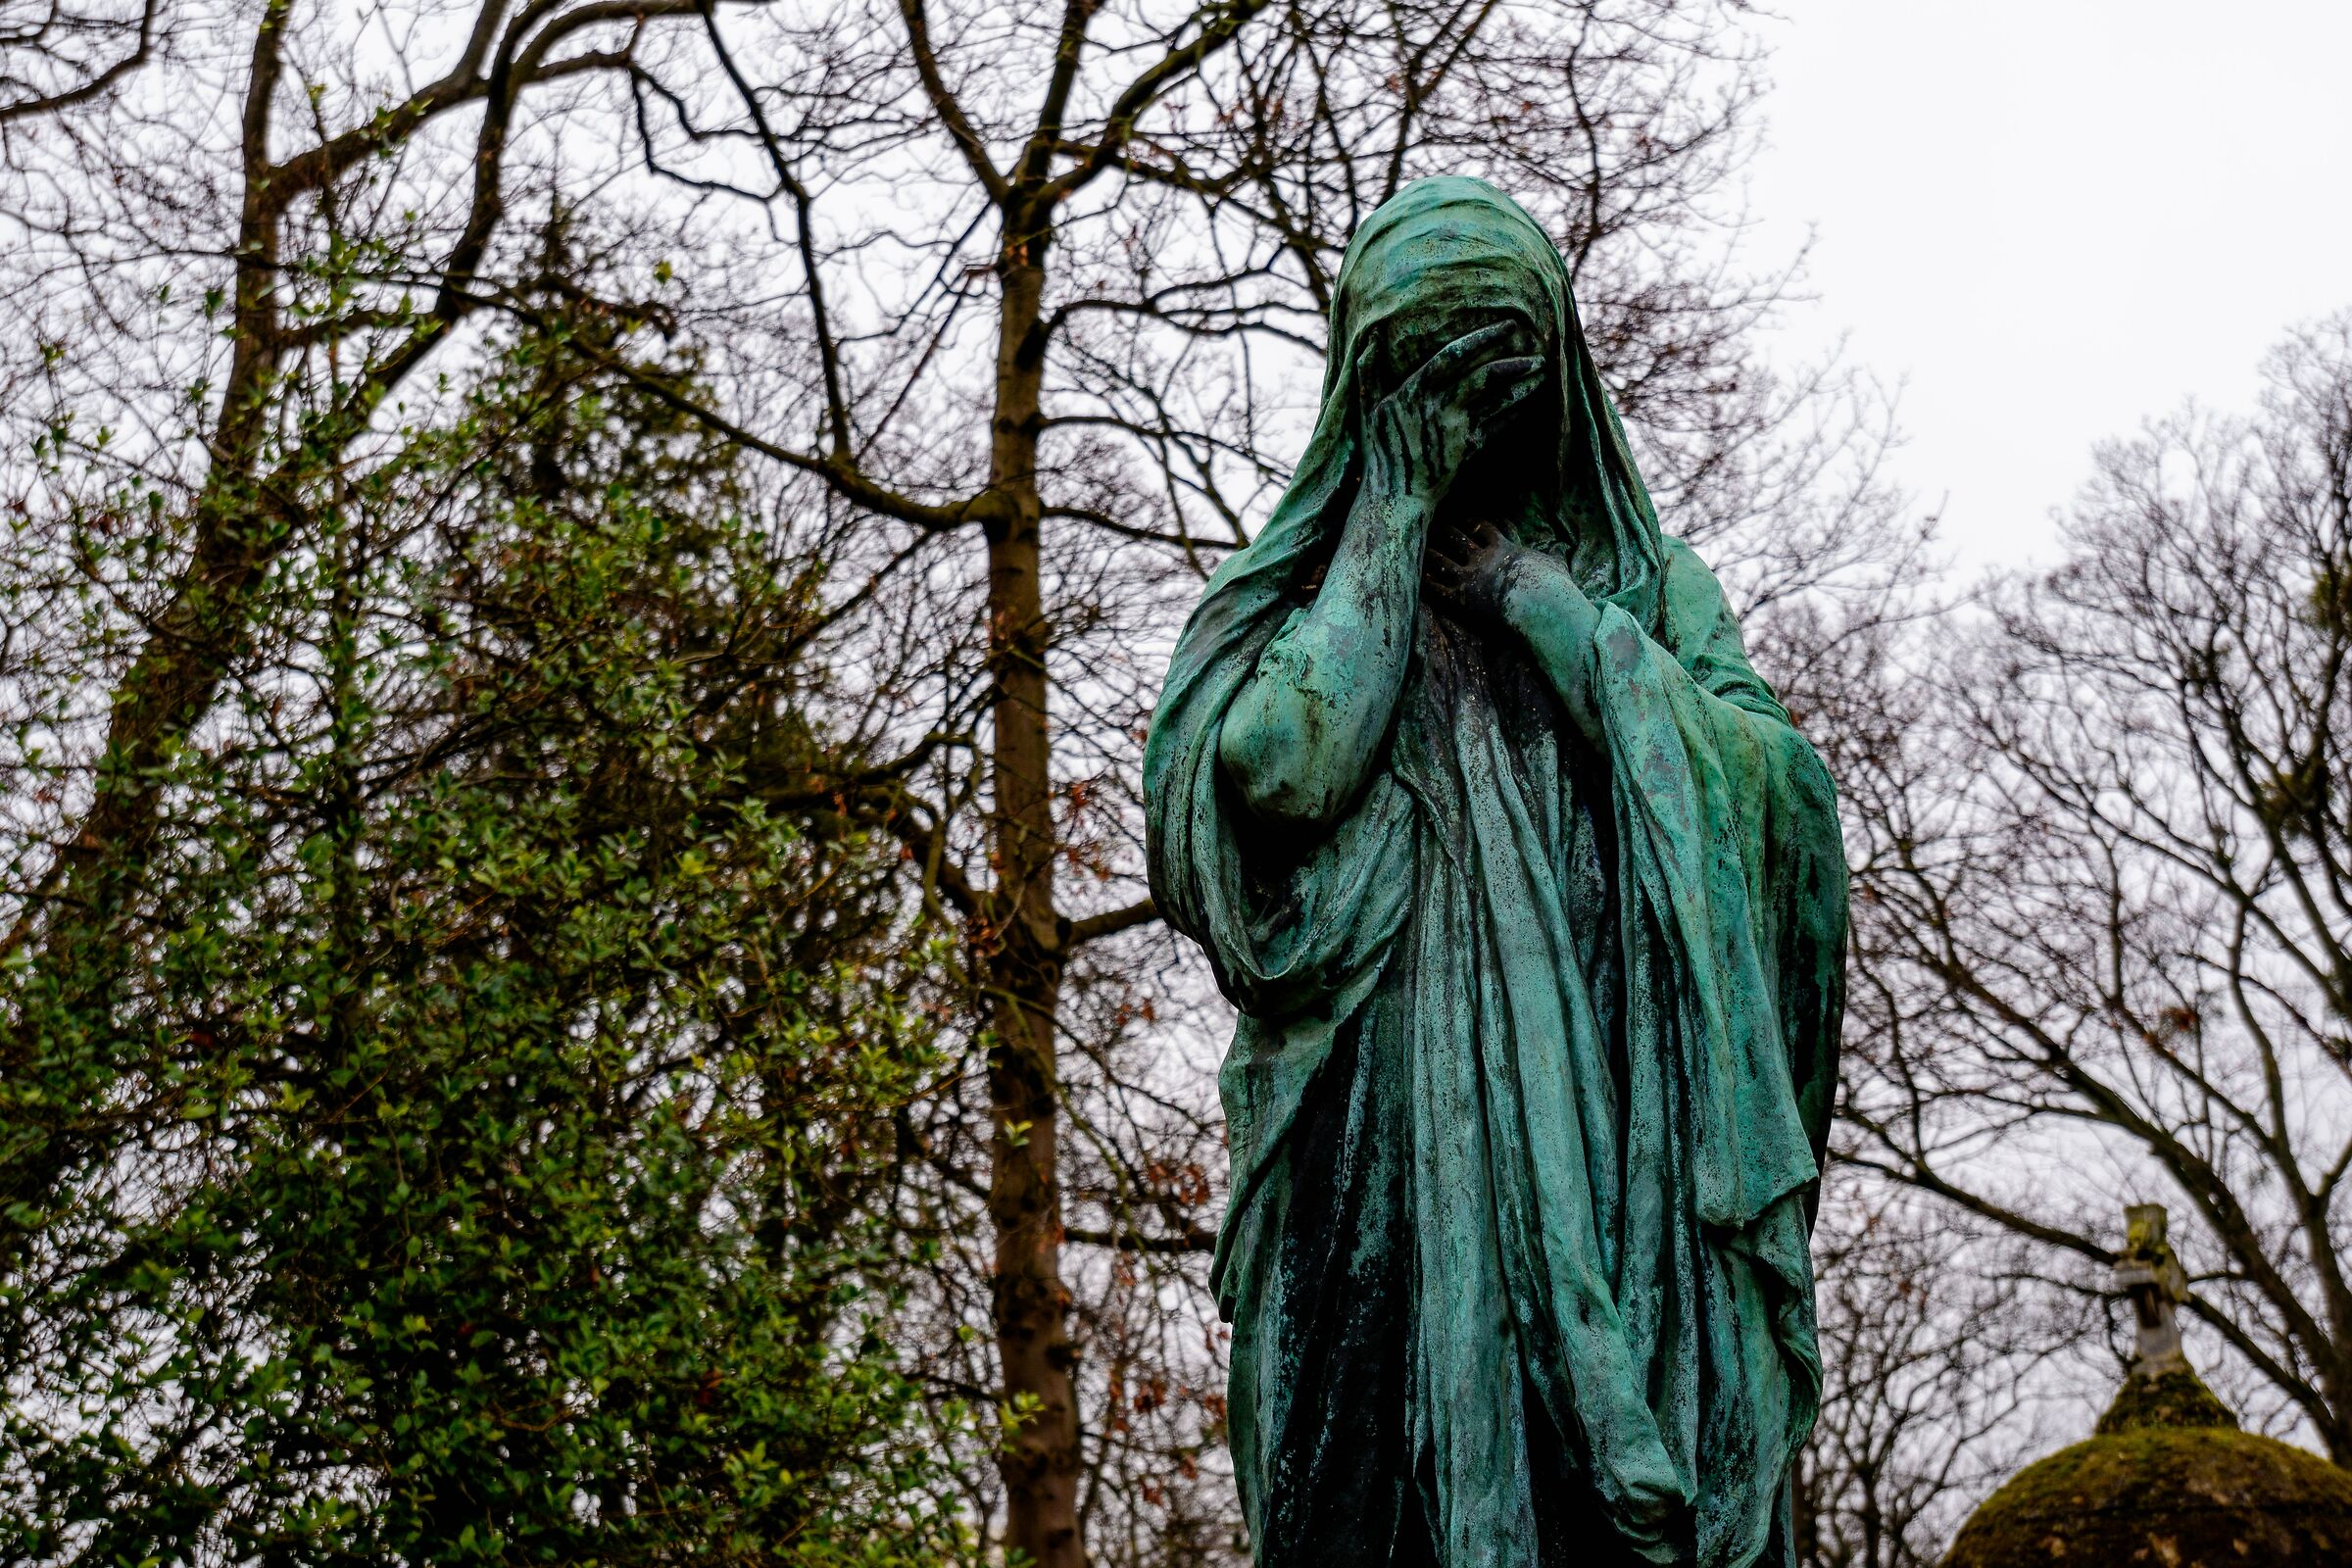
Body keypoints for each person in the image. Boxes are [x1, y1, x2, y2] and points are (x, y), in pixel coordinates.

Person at [1143, 177, 1848, 1568]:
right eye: (1423, 381)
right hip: (1377, 1149)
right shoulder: (1304, 589)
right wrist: (1393, 518)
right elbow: (1280, 768)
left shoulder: (1644, 584)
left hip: (1620, 1147)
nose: (1466, 419)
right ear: (1366, 377)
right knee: (1358, 1499)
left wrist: (1558, 616)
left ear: (1555, 377)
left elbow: (1784, 809)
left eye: (1498, 379)